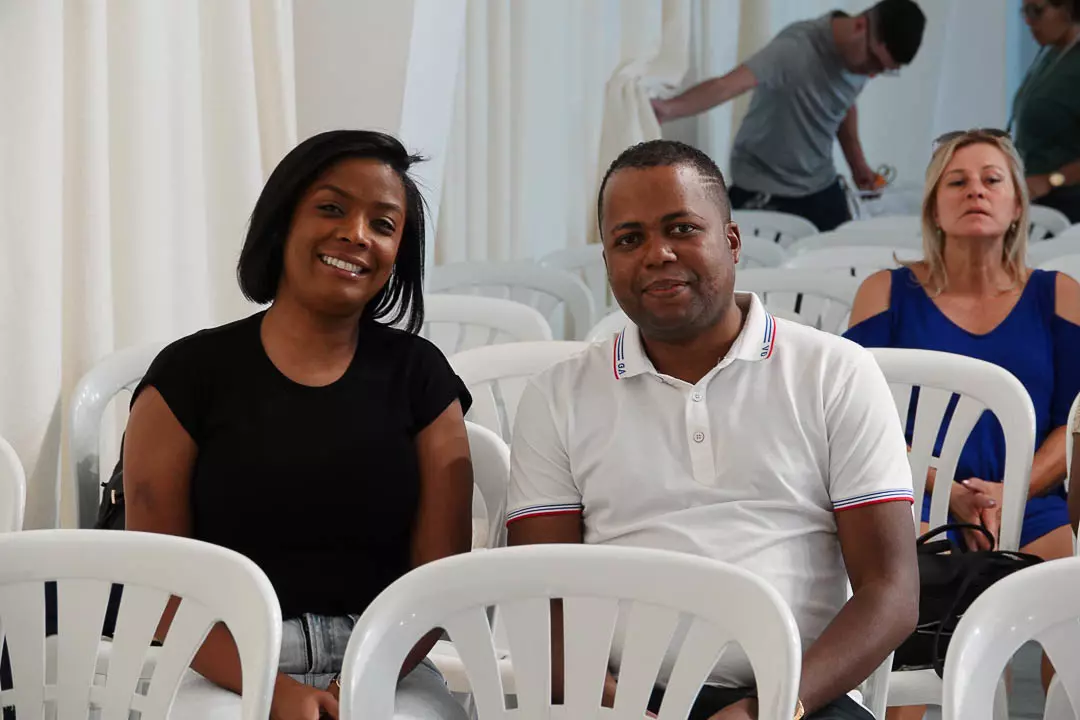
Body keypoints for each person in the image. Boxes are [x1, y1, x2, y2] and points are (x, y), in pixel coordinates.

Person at [507, 139, 919, 720]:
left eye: (681, 229)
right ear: (607, 263)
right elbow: (538, 595)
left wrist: (768, 708)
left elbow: (891, 591)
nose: (657, 254)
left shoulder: (834, 372)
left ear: (731, 241)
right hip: (617, 702)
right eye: (629, 239)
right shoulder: (557, 395)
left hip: (796, 696)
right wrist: (616, 705)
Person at [123, 130, 473, 720]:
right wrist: (275, 691)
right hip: (219, 658)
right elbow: (164, 586)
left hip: (385, 655)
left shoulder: (423, 377)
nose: (357, 234)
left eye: (383, 224)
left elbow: (435, 583)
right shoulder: (186, 375)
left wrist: (352, 685)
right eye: (331, 208)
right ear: (282, 221)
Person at [845, 129, 1080, 714]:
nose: (976, 190)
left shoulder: (1058, 293)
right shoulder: (885, 292)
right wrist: (945, 489)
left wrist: (1009, 492)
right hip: (912, 500)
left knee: (1072, 611)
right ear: (933, 206)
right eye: (958, 181)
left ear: (1017, 204)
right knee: (904, 627)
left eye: (992, 180)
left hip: (1030, 499)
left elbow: (1074, 421)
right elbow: (857, 421)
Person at [651, 0, 926, 231]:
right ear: (860, 26)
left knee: (844, 253)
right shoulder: (795, 48)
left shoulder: (860, 62)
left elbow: (844, 103)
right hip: (766, 183)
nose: (872, 73)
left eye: (883, 70)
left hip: (819, 182)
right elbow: (727, 86)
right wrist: (668, 109)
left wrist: (858, 165)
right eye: (874, 62)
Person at [1013, 0, 1080, 222]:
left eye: (1036, 11)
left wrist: (1053, 180)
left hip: (1069, 208)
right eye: (1024, 12)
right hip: (1038, 201)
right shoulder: (1050, 55)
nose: (1028, 21)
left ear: (1068, 9)